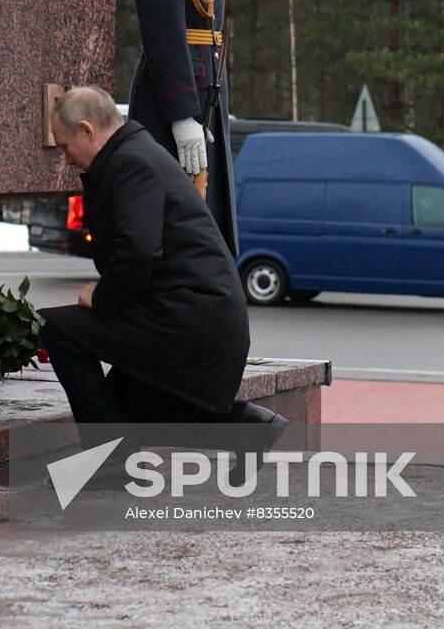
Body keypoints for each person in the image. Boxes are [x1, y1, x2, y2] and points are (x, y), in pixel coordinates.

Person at [40, 87, 281, 445]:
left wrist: (102, 299)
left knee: (57, 329)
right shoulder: (135, 153)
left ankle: (110, 461)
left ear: (87, 131)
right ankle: (247, 428)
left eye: (64, 147)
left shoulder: (130, 162)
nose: (67, 159)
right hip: (195, 314)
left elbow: (138, 249)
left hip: (189, 319)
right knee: (125, 403)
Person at [128, 0, 237, 255]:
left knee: (206, 216)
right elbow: (163, 34)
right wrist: (182, 115)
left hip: (207, 91)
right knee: (174, 224)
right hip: (175, 100)